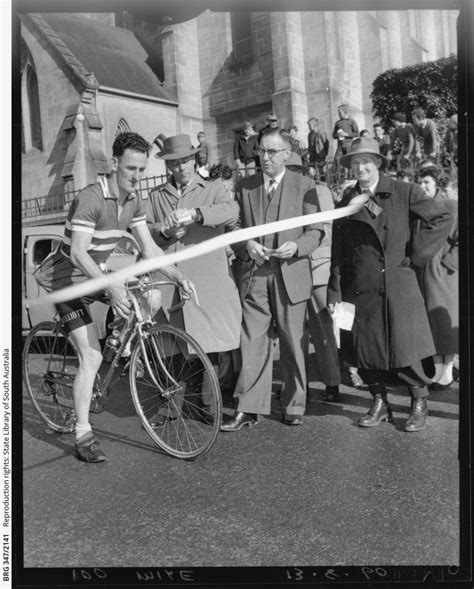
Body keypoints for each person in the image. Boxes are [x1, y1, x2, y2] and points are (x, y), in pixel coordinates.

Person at [33, 132, 193, 462]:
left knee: (148, 296)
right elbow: (78, 254)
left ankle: (121, 341)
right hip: (68, 281)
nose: (137, 177)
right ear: (115, 164)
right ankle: (83, 434)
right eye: (131, 169)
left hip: (98, 274)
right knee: (91, 357)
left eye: (142, 170)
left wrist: (178, 277)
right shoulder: (92, 198)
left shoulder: (134, 201)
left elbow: (149, 249)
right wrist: (111, 286)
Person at [328, 137, 453, 432]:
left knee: (405, 348)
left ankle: (419, 403)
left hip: (398, 284)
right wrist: (335, 289)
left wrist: (417, 256)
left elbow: (442, 217)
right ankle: (379, 402)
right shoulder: (347, 201)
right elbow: (339, 249)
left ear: (379, 163)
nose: (361, 167)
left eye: (366, 161)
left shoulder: (404, 191)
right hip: (360, 286)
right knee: (365, 349)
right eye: (355, 162)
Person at [221, 128, 324, 431]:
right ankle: (247, 407)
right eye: (262, 151)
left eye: (271, 152)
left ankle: (294, 403)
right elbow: (235, 227)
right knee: (251, 340)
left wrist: (297, 247)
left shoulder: (304, 185)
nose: (264, 157)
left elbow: (316, 231)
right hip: (254, 275)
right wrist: (246, 245)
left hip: (290, 274)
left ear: (286, 155)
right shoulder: (245, 186)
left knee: (294, 341)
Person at [145, 135, 242, 417]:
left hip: (206, 281)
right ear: (168, 167)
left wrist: (197, 213)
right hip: (170, 281)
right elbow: (143, 230)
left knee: (207, 344)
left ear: (194, 160)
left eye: (185, 161)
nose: (181, 168)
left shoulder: (212, 189)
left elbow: (231, 212)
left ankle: (208, 406)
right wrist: (163, 232)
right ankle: (171, 408)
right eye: (174, 163)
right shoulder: (156, 196)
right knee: (171, 347)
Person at [285, 153, 341, 401]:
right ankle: (299, 387)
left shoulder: (320, 192)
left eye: (296, 170)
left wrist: (301, 239)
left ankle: (332, 382)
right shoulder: (279, 196)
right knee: (295, 333)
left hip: (317, 267)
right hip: (291, 268)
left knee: (322, 330)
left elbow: (328, 231)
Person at [416, 166, 458, 390]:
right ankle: (437, 369)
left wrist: (448, 262)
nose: (422, 186)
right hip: (425, 271)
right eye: (420, 182)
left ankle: (447, 371)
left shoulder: (451, 206)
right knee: (430, 322)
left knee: (442, 322)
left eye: (427, 183)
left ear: (438, 185)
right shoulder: (420, 207)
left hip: (443, 274)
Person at [332, 104, 359, 181]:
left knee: (349, 162)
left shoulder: (352, 121)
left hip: (349, 145)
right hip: (340, 146)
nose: (339, 114)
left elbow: (357, 133)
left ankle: (351, 179)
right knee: (337, 161)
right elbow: (333, 135)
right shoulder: (337, 123)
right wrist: (338, 134)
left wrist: (346, 134)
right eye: (338, 112)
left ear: (345, 112)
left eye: (340, 112)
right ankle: (338, 180)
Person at [307, 117, 330, 182]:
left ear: (315, 125)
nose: (308, 127)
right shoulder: (309, 134)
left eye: (309, 125)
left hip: (319, 155)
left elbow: (326, 143)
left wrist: (324, 153)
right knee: (312, 171)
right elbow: (309, 145)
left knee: (321, 170)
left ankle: (324, 184)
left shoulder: (321, 132)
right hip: (312, 156)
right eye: (308, 125)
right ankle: (315, 184)